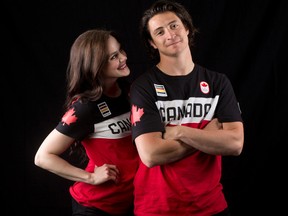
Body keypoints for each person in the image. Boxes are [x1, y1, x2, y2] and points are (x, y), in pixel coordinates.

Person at [130, 0, 244, 215]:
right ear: (152, 42)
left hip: (210, 205)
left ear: (187, 27)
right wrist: (207, 136)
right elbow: (151, 155)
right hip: (158, 207)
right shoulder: (143, 87)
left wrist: (182, 132)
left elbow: (235, 144)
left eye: (174, 25)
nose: (170, 34)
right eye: (160, 31)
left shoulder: (217, 82)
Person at [34, 29, 139, 216]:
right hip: (95, 207)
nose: (123, 57)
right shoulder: (85, 108)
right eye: (114, 56)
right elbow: (43, 157)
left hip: (130, 203)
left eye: (121, 50)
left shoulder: (131, 92)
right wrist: (90, 177)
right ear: (95, 65)